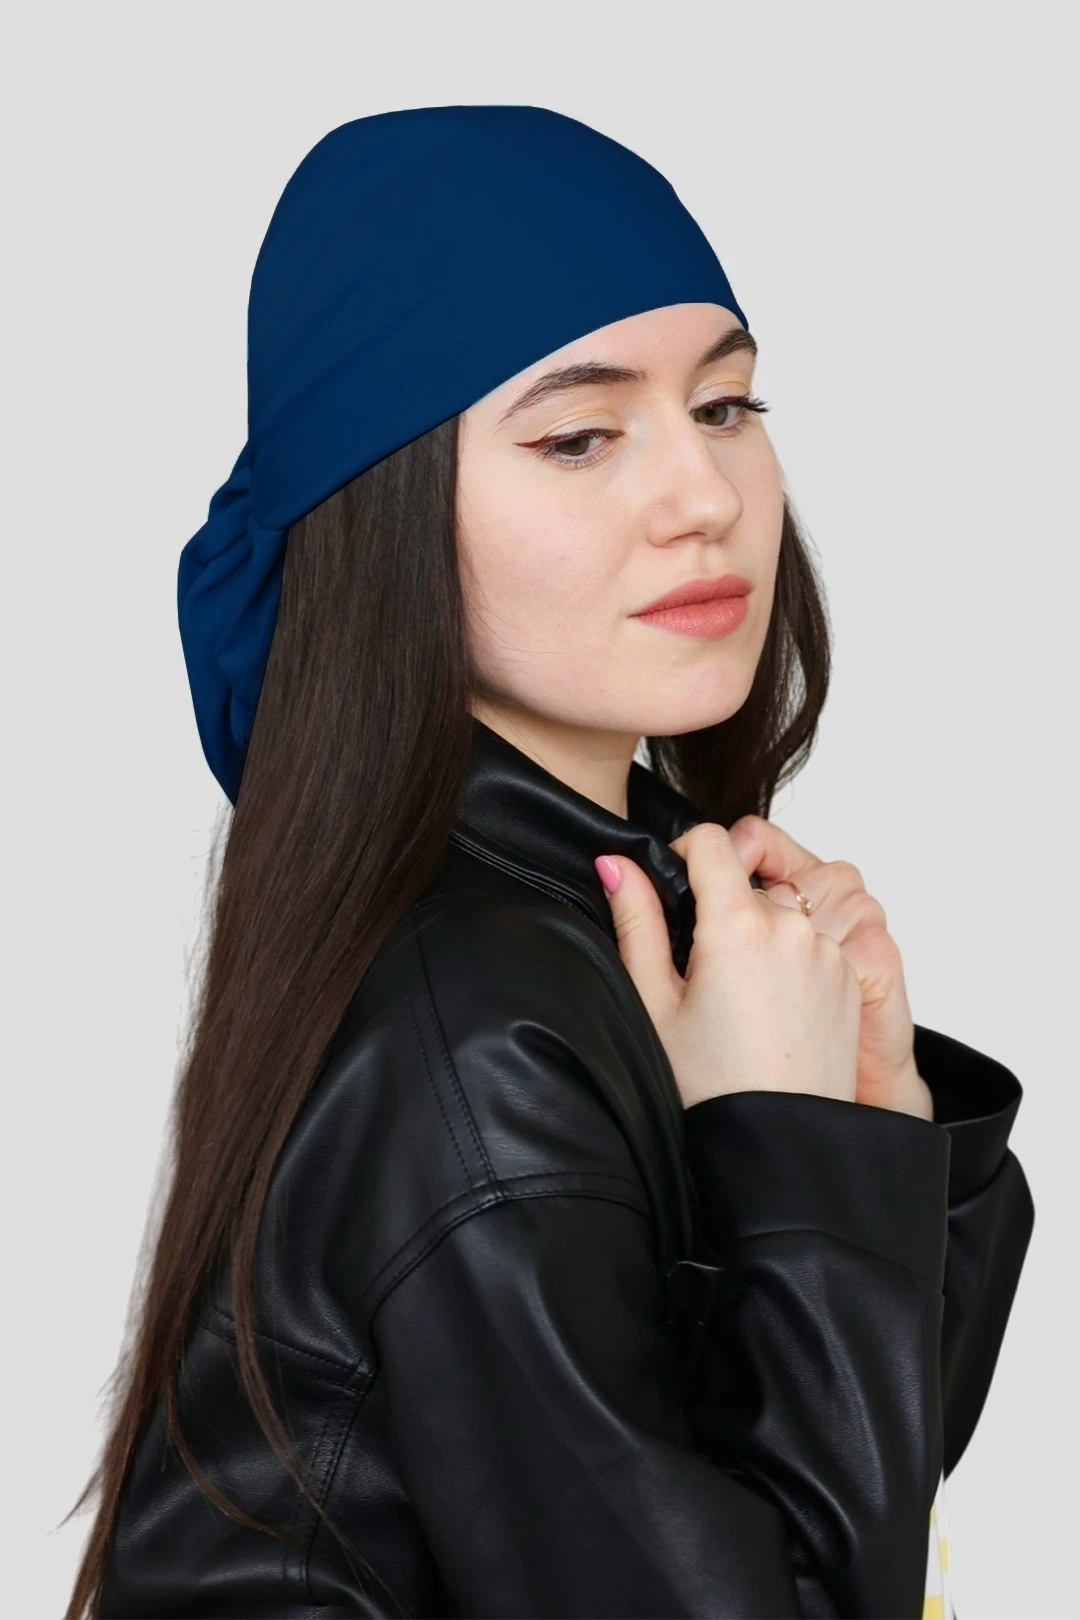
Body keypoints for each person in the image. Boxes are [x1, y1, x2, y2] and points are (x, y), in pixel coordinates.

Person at [63, 105, 1034, 1620]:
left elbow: (840, 1495)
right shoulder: (481, 1030)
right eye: (581, 436)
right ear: (384, 511)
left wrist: (870, 1115)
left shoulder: (606, 935)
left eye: (726, 405)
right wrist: (796, 1151)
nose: (705, 497)